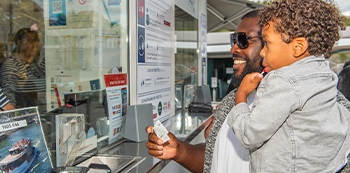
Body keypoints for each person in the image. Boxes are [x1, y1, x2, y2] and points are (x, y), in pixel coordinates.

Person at [145, 10, 350, 173]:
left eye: (243, 40)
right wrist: (179, 151)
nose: (234, 48)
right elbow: (215, 158)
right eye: (233, 39)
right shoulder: (233, 100)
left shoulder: (322, 102)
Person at [227, 0, 350, 172]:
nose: (263, 51)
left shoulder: (283, 81)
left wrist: (241, 95)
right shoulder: (326, 74)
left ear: (298, 47)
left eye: (267, 43)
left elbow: (249, 135)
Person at [0, 26, 45, 108]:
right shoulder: (11, 65)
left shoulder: (34, 65)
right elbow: (9, 95)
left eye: (36, 41)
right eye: (30, 41)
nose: (34, 45)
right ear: (19, 43)